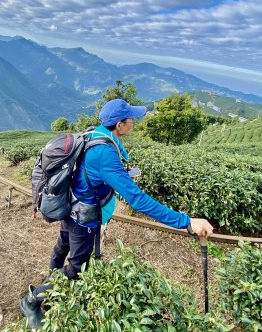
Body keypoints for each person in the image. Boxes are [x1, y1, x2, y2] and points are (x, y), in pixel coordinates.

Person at [20, 99, 213, 329]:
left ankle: (54, 289)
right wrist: (185, 221)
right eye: (131, 119)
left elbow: (95, 170)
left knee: (62, 245)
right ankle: (32, 301)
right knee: (75, 268)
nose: (134, 122)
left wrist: (121, 173)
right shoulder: (104, 153)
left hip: (70, 205)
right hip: (83, 217)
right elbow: (138, 200)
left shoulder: (95, 133)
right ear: (119, 125)